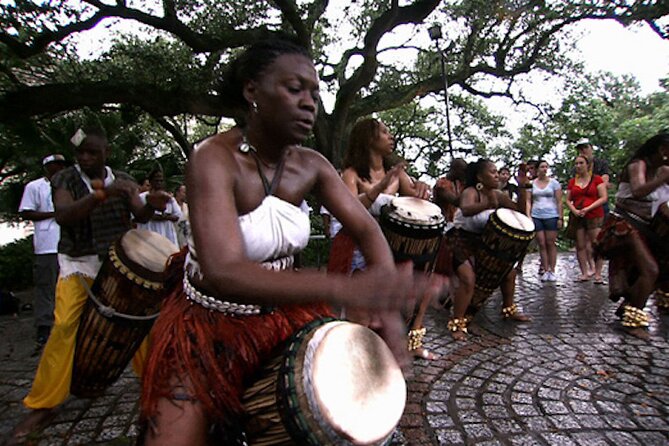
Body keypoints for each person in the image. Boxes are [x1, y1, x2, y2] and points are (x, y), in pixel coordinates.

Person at [139, 39, 442, 445]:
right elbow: (224, 270)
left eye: (314, 93)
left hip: (282, 316)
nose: (309, 103)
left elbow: (368, 231)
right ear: (252, 91)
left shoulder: (311, 165)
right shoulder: (213, 158)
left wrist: (385, 304)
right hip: (207, 325)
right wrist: (346, 288)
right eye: (294, 88)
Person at [9, 128, 171, 444]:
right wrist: (103, 194)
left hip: (116, 267)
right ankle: (44, 404)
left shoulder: (122, 178)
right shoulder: (65, 180)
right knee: (65, 326)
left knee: (138, 328)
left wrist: (151, 203)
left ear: (105, 153)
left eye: (92, 153)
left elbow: (139, 213)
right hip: (78, 264)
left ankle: (156, 391)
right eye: (81, 153)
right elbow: (65, 214)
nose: (84, 158)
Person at [328, 117, 436, 360]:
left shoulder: (397, 174)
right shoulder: (352, 174)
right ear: (368, 138)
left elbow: (417, 203)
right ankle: (355, 358)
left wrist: (421, 187)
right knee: (362, 309)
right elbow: (349, 209)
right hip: (358, 248)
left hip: (391, 248)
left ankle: (399, 347)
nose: (391, 136)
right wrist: (379, 187)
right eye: (385, 132)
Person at [447, 159, 531, 340]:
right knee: (468, 279)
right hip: (458, 240)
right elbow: (466, 209)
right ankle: (457, 322)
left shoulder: (497, 194)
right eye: (492, 172)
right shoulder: (470, 191)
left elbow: (519, 212)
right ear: (479, 176)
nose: (496, 175)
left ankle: (508, 309)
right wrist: (488, 204)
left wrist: (522, 186)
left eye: (497, 172)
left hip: (481, 241)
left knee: (509, 273)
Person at [594, 133, 669, 336]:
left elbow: (662, 205)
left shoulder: (663, 170)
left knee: (660, 266)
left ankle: (629, 305)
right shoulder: (638, 165)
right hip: (624, 225)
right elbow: (637, 191)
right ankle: (633, 321)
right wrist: (662, 179)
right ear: (663, 151)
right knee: (650, 269)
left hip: (646, 227)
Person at [18, 154, 68, 348]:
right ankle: (44, 326)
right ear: (47, 167)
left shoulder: (70, 186)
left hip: (69, 244)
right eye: (56, 165)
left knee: (67, 285)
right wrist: (54, 214)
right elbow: (26, 212)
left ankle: (67, 323)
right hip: (47, 244)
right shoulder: (35, 187)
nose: (60, 169)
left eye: (62, 165)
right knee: (45, 286)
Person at [566, 155, 607, 283]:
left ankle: (598, 274)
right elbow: (568, 199)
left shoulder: (597, 180)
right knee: (580, 245)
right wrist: (574, 210)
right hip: (578, 216)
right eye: (576, 163)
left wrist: (588, 208)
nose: (578, 166)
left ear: (587, 165)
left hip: (594, 214)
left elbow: (603, 197)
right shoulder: (572, 182)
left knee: (596, 244)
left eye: (581, 163)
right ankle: (584, 272)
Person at [529, 160, 563, 282]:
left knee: (550, 242)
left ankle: (552, 270)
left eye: (546, 167)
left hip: (551, 215)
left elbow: (559, 201)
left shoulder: (554, 183)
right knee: (541, 243)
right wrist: (529, 216)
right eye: (542, 167)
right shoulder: (532, 184)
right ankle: (545, 267)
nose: (544, 169)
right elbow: (529, 201)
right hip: (536, 215)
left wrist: (560, 217)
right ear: (537, 169)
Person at [136, 168, 183, 246]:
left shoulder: (169, 198)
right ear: (150, 182)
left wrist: (161, 217)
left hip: (166, 234)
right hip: (148, 234)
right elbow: (137, 216)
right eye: (156, 180)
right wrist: (166, 216)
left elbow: (178, 216)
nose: (159, 183)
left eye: (161, 181)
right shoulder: (142, 197)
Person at [576, 138, 611, 214]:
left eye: (585, 147)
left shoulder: (601, 163)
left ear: (591, 148)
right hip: (582, 203)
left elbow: (604, 183)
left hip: (599, 202)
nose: (583, 150)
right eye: (580, 149)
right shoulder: (576, 167)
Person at [173, 183, 190, 248]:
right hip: (174, 234)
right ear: (177, 193)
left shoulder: (187, 207)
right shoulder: (171, 204)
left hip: (184, 238)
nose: (186, 195)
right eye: (184, 192)